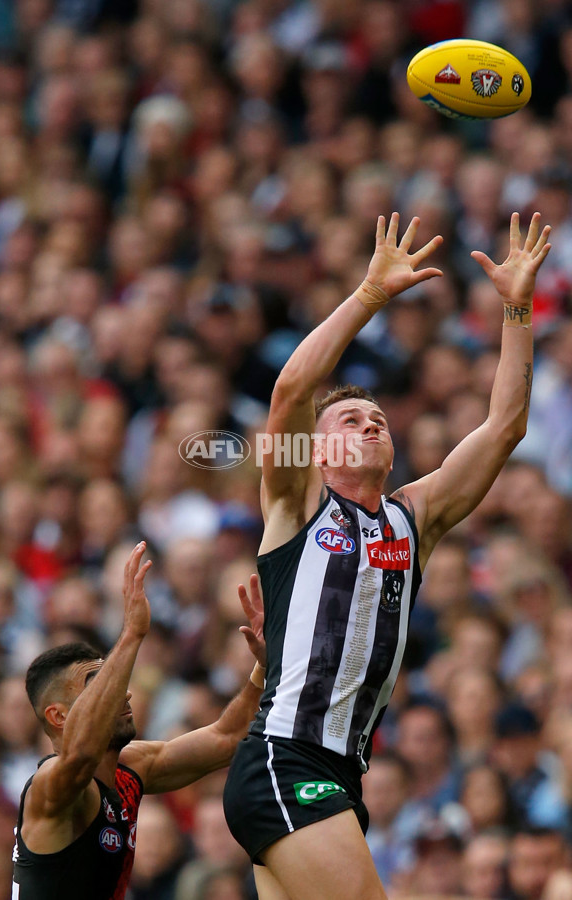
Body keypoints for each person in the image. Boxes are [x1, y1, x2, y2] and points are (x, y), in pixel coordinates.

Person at [223, 211, 551, 900]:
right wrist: (369, 297)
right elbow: (289, 392)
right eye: (350, 418)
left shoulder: (413, 519)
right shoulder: (296, 504)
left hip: (337, 774)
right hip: (286, 759)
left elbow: (504, 427)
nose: (371, 421)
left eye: (378, 418)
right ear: (317, 450)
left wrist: (518, 309)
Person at [12, 542, 266, 899]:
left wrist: (262, 668)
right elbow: (80, 755)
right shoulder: (49, 785)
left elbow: (228, 737)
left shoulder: (132, 767)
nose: (125, 694)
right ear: (59, 716)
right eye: (99, 686)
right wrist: (131, 634)